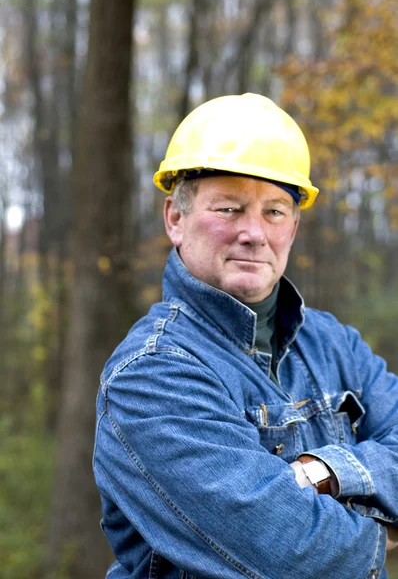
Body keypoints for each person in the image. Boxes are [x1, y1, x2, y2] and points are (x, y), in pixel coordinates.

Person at [93, 93, 398, 579]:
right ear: (175, 219)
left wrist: (329, 471)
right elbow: (288, 555)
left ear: (293, 228)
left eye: (275, 211)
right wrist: (386, 535)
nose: (254, 233)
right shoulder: (151, 374)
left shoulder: (334, 343)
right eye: (230, 208)